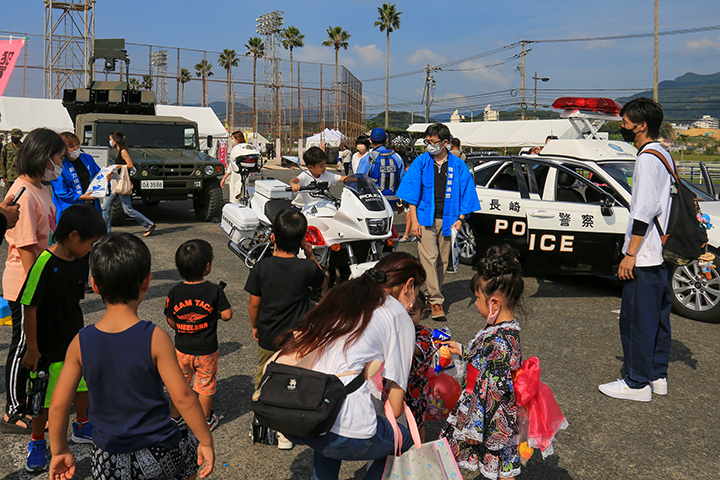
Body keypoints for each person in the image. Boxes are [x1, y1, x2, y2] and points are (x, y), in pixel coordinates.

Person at [48, 232, 214, 480]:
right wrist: (206, 441)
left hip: (108, 457)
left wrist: (59, 450)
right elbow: (183, 397)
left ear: (94, 285)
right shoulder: (155, 337)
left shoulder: (80, 342)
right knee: (187, 451)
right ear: (146, 282)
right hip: (160, 448)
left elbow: (60, 404)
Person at [282, 252, 426, 480]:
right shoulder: (398, 315)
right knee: (403, 438)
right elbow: (396, 407)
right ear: (409, 285)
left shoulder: (344, 297)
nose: (412, 304)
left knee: (330, 418)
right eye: (416, 293)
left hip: (298, 418)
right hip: (343, 434)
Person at [19, 204, 106, 472]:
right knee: (41, 399)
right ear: (73, 236)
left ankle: (82, 424)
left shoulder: (80, 262)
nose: (92, 249)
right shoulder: (43, 264)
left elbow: (73, 302)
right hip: (45, 345)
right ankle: (37, 442)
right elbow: (28, 306)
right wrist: (32, 349)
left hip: (74, 339)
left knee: (82, 386)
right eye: (91, 243)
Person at [599, 98, 674, 402]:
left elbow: (643, 210)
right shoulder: (664, 155)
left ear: (642, 126)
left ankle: (636, 383)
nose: (623, 126)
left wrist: (630, 254)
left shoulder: (645, 159)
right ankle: (657, 376)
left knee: (636, 321)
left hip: (643, 254)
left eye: (626, 122)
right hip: (660, 251)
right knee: (657, 319)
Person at [440, 245, 524, 478]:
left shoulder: (500, 341)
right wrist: (465, 351)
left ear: (494, 304)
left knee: (499, 463)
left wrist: (473, 425)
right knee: (499, 464)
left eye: (477, 298)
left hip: (490, 414)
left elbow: (494, 389)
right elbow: (486, 362)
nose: (476, 304)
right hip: (491, 410)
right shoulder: (503, 330)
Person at [244, 208, 325, 449]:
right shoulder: (306, 268)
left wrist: (254, 325)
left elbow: (254, 302)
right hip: (297, 337)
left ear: (272, 238)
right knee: (293, 377)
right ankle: (287, 431)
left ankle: (263, 421)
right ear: (302, 241)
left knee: (266, 375)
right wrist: (311, 256)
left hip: (269, 334)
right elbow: (322, 281)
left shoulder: (261, 268)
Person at [2, 128, 65, 434]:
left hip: (38, 279)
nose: (61, 163)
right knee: (23, 344)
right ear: (43, 157)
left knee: (36, 346)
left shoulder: (40, 187)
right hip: (25, 282)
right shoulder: (24, 193)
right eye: (59, 157)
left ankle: (30, 402)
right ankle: (13, 408)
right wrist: (38, 291)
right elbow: (27, 248)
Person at [396, 122, 480, 321]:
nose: (429, 145)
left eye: (433, 142)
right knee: (429, 258)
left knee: (442, 261)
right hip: (425, 219)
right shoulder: (421, 162)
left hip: (449, 219)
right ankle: (436, 301)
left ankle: (430, 294)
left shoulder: (458, 165)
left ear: (445, 143)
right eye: (427, 141)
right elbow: (411, 194)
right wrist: (414, 221)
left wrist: (461, 219)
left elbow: (467, 192)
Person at [165, 239, 233, 431]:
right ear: (207, 267)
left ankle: (175, 417)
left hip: (182, 349)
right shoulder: (213, 291)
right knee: (204, 386)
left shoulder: (175, 291)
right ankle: (204, 421)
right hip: (206, 350)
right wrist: (215, 315)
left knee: (180, 383)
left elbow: (170, 319)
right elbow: (227, 315)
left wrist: (183, 327)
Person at [102, 130, 156, 236]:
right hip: (117, 183)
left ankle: (148, 224)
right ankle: (107, 232)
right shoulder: (119, 151)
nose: (110, 142)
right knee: (105, 208)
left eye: (111, 139)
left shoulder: (123, 151)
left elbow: (130, 165)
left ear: (115, 141)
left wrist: (117, 166)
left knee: (128, 210)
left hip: (120, 184)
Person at [51, 132, 102, 219]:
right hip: (71, 210)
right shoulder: (59, 164)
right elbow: (60, 191)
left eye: (77, 144)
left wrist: (106, 179)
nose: (76, 148)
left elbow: (98, 176)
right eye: (71, 146)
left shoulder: (87, 158)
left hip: (91, 206)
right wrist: (80, 197)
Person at [355, 128, 405, 198]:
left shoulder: (368, 158)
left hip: (375, 201)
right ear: (386, 140)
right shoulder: (397, 157)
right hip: (393, 198)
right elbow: (402, 180)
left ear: (370, 141)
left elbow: (359, 180)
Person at [220, 130, 248, 203]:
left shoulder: (236, 149)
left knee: (236, 195)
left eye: (233, 139)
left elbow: (231, 166)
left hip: (238, 174)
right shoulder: (247, 147)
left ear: (237, 139)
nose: (232, 141)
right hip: (242, 174)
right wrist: (224, 178)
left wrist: (224, 178)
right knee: (241, 194)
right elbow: (230, 166)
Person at [0, 128, 23, 197]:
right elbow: (1, 161)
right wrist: (3, 175)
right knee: (7, 195)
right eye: (13, 137)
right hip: (9, 176)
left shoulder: (23, 147)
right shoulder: (7, 147)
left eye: (16, 137)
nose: (15, 138)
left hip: (21, 176)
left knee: (20, 195)